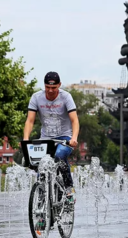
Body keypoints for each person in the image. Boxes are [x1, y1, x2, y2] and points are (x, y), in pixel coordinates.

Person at [23, 71, 80, 204]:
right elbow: (30, 121)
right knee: (41, 165)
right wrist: (26, 139)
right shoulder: (36, 97)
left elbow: (75, 120)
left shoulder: (66, 97)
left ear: (59, 85)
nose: (50, 90)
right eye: (47, 87)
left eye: (53, 87)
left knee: (59, 155)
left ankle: (69, 189)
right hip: (46, 139)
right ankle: (41, 201)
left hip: (65, 138)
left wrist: (74, 138)